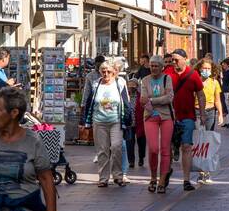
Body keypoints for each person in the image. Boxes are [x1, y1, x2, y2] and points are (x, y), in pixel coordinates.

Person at [86, 60, 131, 187]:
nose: (106, 74)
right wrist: (86, 121)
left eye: (109, 71)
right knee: (102, 150)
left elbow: (126, 101)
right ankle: (103, 178)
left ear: (114, 72)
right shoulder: (96, 84)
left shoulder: (120, 83)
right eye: (103, 71)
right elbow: (90, 101)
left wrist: (128, 119)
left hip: (116, 120)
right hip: (99, 121)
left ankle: (117, 175)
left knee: (116, 147)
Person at [166, 49, 203, 192]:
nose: (174, 62)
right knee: (167, 148)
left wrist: (202, 113)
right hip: (169, 117)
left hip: (188, 116)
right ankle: (166, 171)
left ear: (185, 59)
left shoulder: (193, 75)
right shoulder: (168, 73)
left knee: (186, 147)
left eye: (177, 60)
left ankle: (186, 180)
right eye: (172, 60)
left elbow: (200, 94)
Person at [139, 56, 175, 194]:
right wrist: (159, 100)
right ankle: (153, 177)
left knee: (165, 149)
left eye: (156, 66)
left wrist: (151, 100)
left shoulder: (167, 79)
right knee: (153, 148)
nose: (153, 68)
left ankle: (162, 179)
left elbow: (169, 97)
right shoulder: (145, 80)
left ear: (162, 67)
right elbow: (143, 100)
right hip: (150, 116)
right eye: (152, 65)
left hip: (166, 116)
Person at [196, 57, 224, 184]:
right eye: (204, 68)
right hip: (196, 112)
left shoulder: (214, 82)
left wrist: (220, 114)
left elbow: (217, 99)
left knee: (208, 141)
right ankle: (200, 171)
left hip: (211, 112)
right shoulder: (195, 81)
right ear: (199, 69)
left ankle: (206, 172)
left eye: (208, 68)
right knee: (198, 141)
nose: (206, 71)